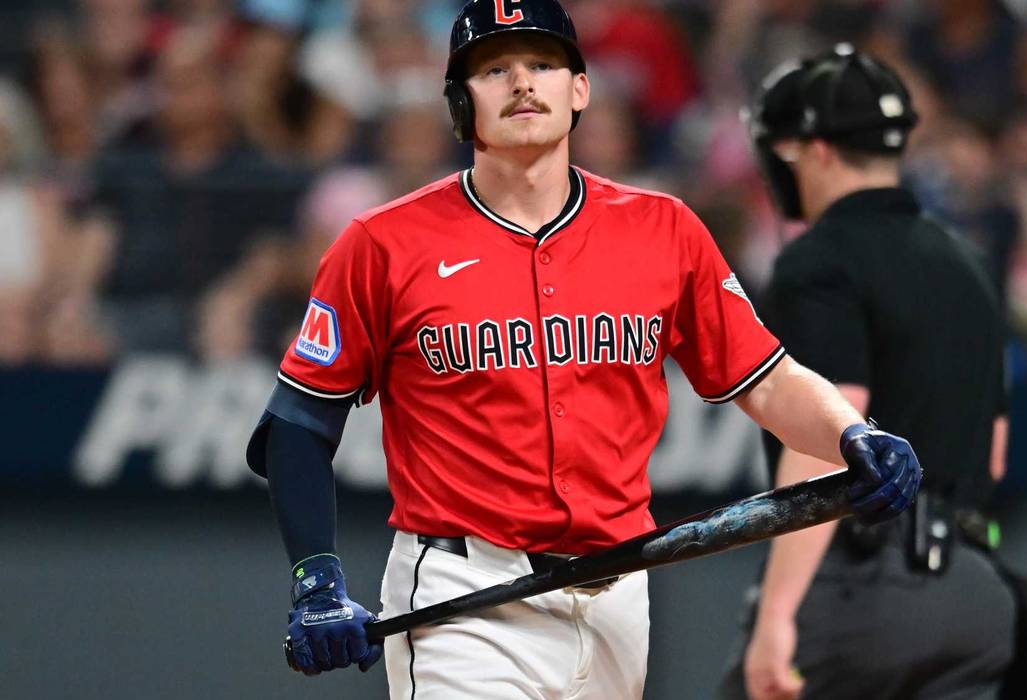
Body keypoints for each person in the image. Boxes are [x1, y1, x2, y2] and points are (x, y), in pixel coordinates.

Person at [244, 4, 920, 698]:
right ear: (459, 104)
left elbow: (766, 379)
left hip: (617, 594)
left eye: (542, 63)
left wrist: (850, 433)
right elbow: (298, 423)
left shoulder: (663, 229)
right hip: (464, 592)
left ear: (579, 89)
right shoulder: (383, 243)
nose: (522, 82)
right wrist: (316, 578)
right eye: (494, 69)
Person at [719, 46, 1027, 700]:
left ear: (817, 152)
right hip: (972, 592)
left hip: (862, 591)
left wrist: (778, 612)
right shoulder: (968, 261)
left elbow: (828, 441)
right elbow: (995, 450)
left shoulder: (818, 261)